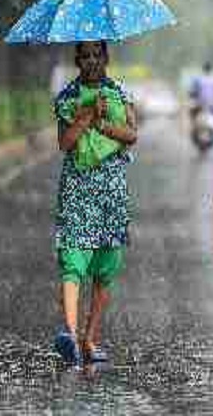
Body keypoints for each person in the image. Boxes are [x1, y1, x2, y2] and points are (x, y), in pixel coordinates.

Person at [52, 40, 138, 367]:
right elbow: (65, 143)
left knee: (105, 269)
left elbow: (132, 135)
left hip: (111, 193)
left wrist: (103, 123)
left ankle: (89, 338)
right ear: (77, 60)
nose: (90, 61)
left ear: (106, 57)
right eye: (84, 56)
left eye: (96, 55)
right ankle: (70, 335)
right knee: (73, 260)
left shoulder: (121, 93)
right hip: (77, 190)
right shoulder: (67, 98)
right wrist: (86, 116)